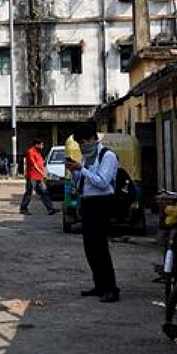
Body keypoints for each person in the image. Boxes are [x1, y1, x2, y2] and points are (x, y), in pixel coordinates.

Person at [64, 123, 120, 303]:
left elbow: (103, 182)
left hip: (102, 203)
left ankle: (110, 288)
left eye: (83, 142)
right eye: (79, 144)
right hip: (87, 203)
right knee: (89, 248)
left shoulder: (107, 156)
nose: (82, 147)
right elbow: (83, 181)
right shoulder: (88, 158)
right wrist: (75, 172)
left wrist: (82, 169)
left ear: (92, 139)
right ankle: (99, 285)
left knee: (100, 247)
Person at [20, 139, 57, 215]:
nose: (42, 147)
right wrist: (42, 173)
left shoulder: (38, 152)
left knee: (44, 192)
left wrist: (43, 173)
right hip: (32, 177)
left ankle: (51, 209)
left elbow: (41, 163)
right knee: (29, 193)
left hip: (39, 177)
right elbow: (34, 165)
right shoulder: (31, 152)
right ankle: (23, 208)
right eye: (41, 145)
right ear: (36, 144)